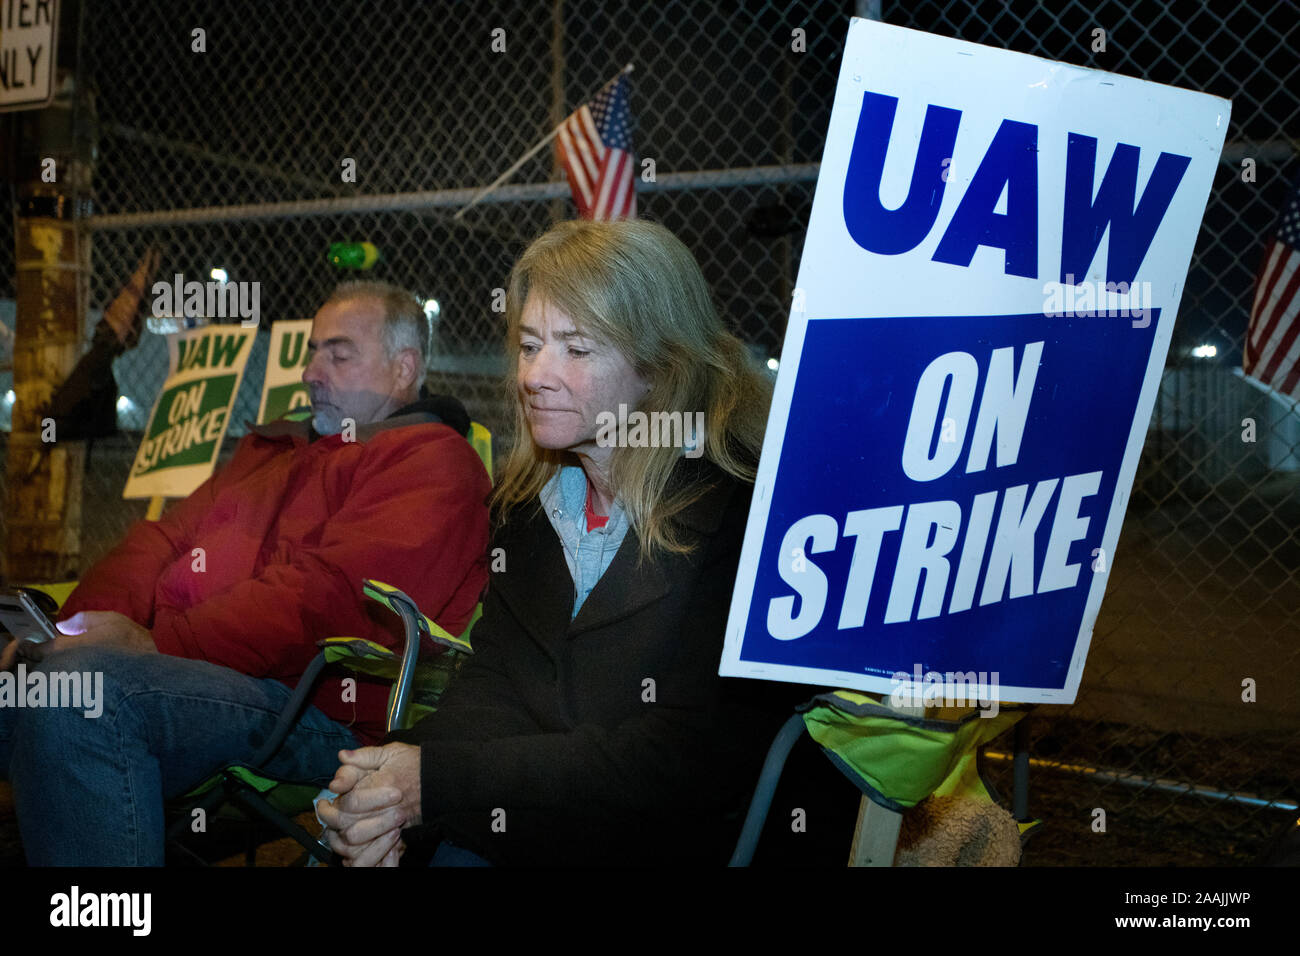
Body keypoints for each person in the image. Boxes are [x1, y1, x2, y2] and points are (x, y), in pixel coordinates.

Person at [318, 219, 797, 867]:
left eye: (576, 348)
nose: (535, 375)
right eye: (530, 344)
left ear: (658, 368)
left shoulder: (742, 510)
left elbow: (684, 759)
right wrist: (392, 778)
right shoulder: (527, 506)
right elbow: (495, 683)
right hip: (528, 817)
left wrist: (438, 782)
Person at [0, 280, 491, 865]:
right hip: (185, 676)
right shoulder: (275, 448)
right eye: (312, 352)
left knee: (79, 700)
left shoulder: (429, 460)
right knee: (40, 679)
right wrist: (68, 631)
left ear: (403, 367)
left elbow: (328, 598)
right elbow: (162, 539)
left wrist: (154, 645)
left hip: (310, 706)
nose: (311, 371)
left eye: (338, 354)